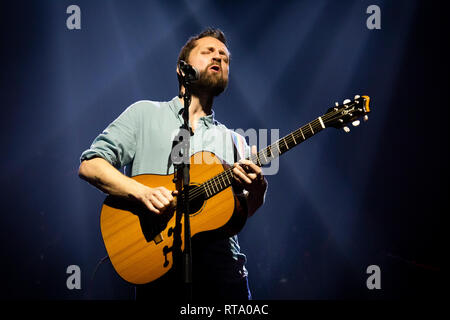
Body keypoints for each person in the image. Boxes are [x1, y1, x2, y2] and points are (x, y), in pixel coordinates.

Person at [78, 28, 268, 301]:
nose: (219, 58)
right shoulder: (144, 114)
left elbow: (240, 214)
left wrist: (257, 190)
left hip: (223, 277)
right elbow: (91, 165)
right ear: (182, 69)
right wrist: (142, 192)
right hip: (158, 269)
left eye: (225, 58)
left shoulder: (236, 141)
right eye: (208, 52)